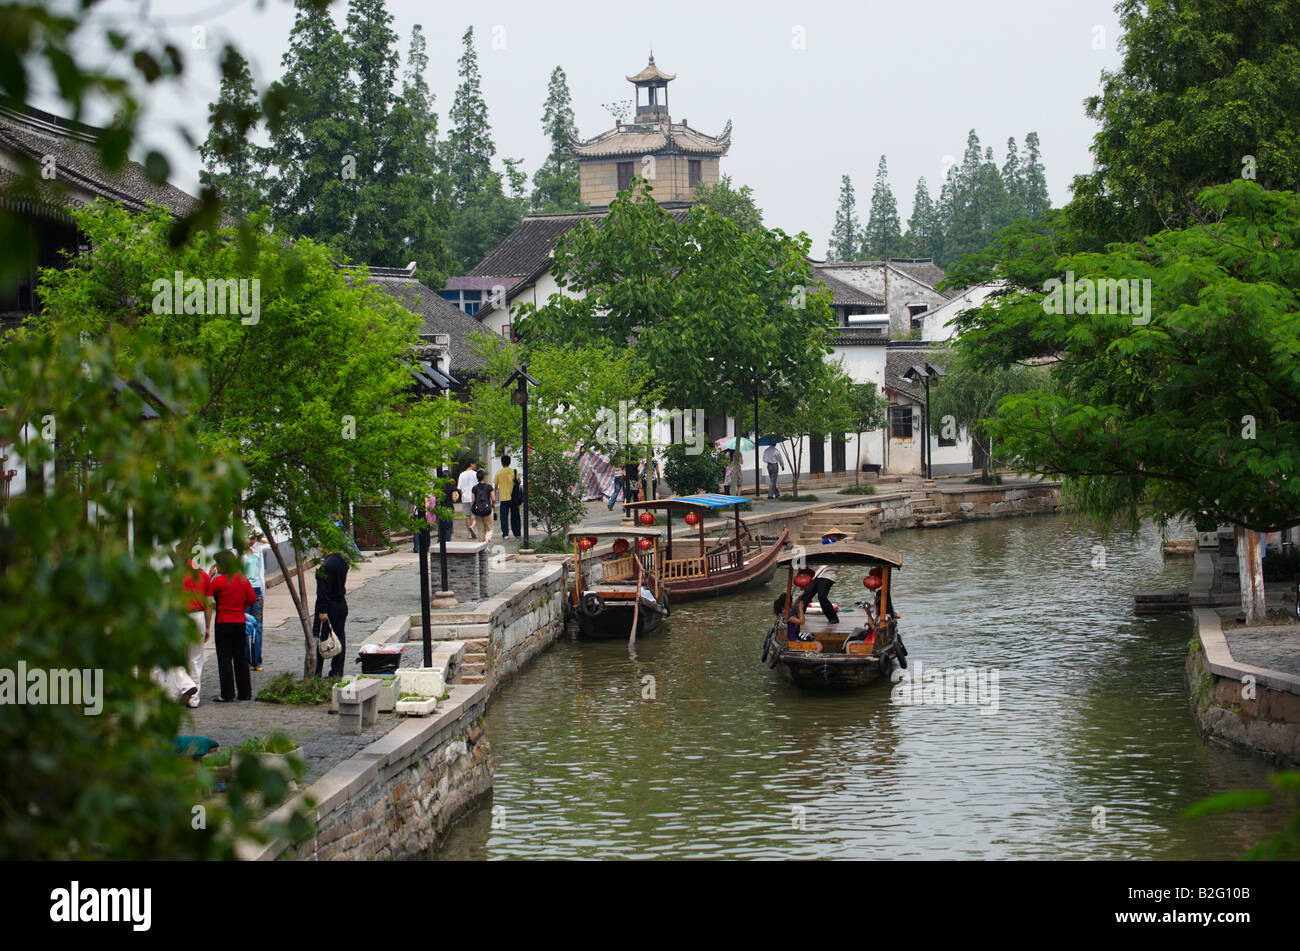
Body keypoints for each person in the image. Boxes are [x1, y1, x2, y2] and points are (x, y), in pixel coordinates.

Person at [209, 549, 256, 701]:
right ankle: (245, 692)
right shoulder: (243, 579)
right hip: (239, 621)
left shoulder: (218, 581)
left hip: (223, 621)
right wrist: (241, 607)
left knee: (224, 659)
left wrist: (209, 576)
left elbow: (206, 594)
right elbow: (252, 598)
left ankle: (227, 693)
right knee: (241, 657)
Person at [181, 558, 212, 708]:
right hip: (198, 616)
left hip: (181, 617)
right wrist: (207, 627)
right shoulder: (204, 576)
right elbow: (208, 604)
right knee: (196, 658)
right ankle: (194, 698)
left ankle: (181, 690)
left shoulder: (178, 576)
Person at [314, 548, 350, 678]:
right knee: (339, 636)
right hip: (341, 603)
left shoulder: (326, 566)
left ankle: (318, 670)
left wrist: (322, 610)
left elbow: (323, 591)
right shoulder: (342, 562)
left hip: (329, 605)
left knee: (323, 638)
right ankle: (337, 670)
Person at [243, 535, 268, 670]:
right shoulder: (237, 554)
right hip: (244, 592)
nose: (251, 540)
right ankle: (246, 660)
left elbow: (270, 545)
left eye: (253, 538)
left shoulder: (258, 550)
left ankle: (257, 661)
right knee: (245, 626)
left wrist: (261, 539)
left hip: (257, 590)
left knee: (257, 627)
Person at [494, 454, 522, 539]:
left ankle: (505, 534)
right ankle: (516, 533)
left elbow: (495, 486)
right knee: (515, 515)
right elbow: (519, 482)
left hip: (503, 497)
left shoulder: (498, 473)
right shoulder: (514, 472)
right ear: (509, 462)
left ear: (502, 463)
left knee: (504, 517)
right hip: (513, 498)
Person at [469, 468, 495, 545]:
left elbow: (473, 500)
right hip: (487, 510)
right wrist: (493, 505)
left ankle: (481, 547)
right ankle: (486, 542)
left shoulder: (474, 488)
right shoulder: (489, 487)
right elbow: (493, 499)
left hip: (477, 511)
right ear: (484, 477)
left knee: (480, 529)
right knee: (489, 529)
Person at [457, 461, 480, 538]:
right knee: (477, 514)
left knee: (467, 516)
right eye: (475, 464)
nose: (475, 466)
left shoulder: (461, 474)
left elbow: (459, 488)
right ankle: (473, 527)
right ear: (471, 464)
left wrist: (464, 491)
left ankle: (469, 534)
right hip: (474, 497)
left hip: (465, 497)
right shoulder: (475, 474)